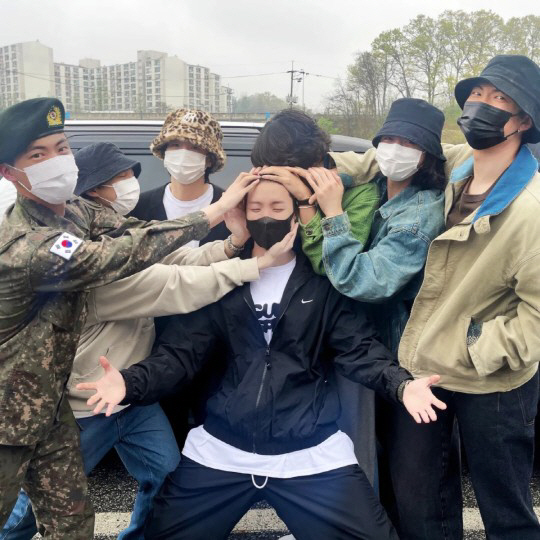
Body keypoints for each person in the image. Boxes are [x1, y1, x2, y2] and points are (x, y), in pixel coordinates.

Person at [78, 177, 447, 540]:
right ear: (243, 214)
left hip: (311, 452)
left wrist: (401, 385)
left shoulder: (322, 283)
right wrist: (129, 381)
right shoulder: (222, 280)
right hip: (222, 449)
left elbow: (360, 348)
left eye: (277, 207)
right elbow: (180, 354)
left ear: (296, 216)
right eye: (256, 208)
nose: (266, 216)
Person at [1, 141, 285, 540]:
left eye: (62, 148)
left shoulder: (85, 218)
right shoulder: (66, 258)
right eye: (119, 178)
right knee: (34, 509)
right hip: (86, 404)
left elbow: (168, 256)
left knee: (164, 472)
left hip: (132, 394)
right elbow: (171, 284)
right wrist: (255, 263)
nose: (130, 184)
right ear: (95, 190)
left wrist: (231, 245)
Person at [332, 55, 540, 539]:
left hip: (493, 378)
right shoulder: (459, 163)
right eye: (477, 94)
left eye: (499, 99)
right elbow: (385, 156)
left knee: (504, 506)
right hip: (428, 364)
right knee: (422, 501)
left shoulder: (530, 208)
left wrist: (477, 347)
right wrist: (309, 165)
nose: (481, 105)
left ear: (523, 121)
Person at [249, 109, 382, 483]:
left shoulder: (357, 192)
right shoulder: (263, 189)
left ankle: (360, 511)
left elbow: (337, 268)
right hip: (287, 335)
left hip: (344, 333)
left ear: (315, 163)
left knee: (353, 439)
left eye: (286, 171)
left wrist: (309, 203)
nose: (277, 180)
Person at [131, 108, 233, 446]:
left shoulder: (231, 207)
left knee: (214, 437)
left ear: (210, 157)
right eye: (175, 145)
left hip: (216, 346)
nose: (183, 154)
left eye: (194, 147)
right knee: (167, 441)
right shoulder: (140, 208)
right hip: (154, 345)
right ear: (162, 151)